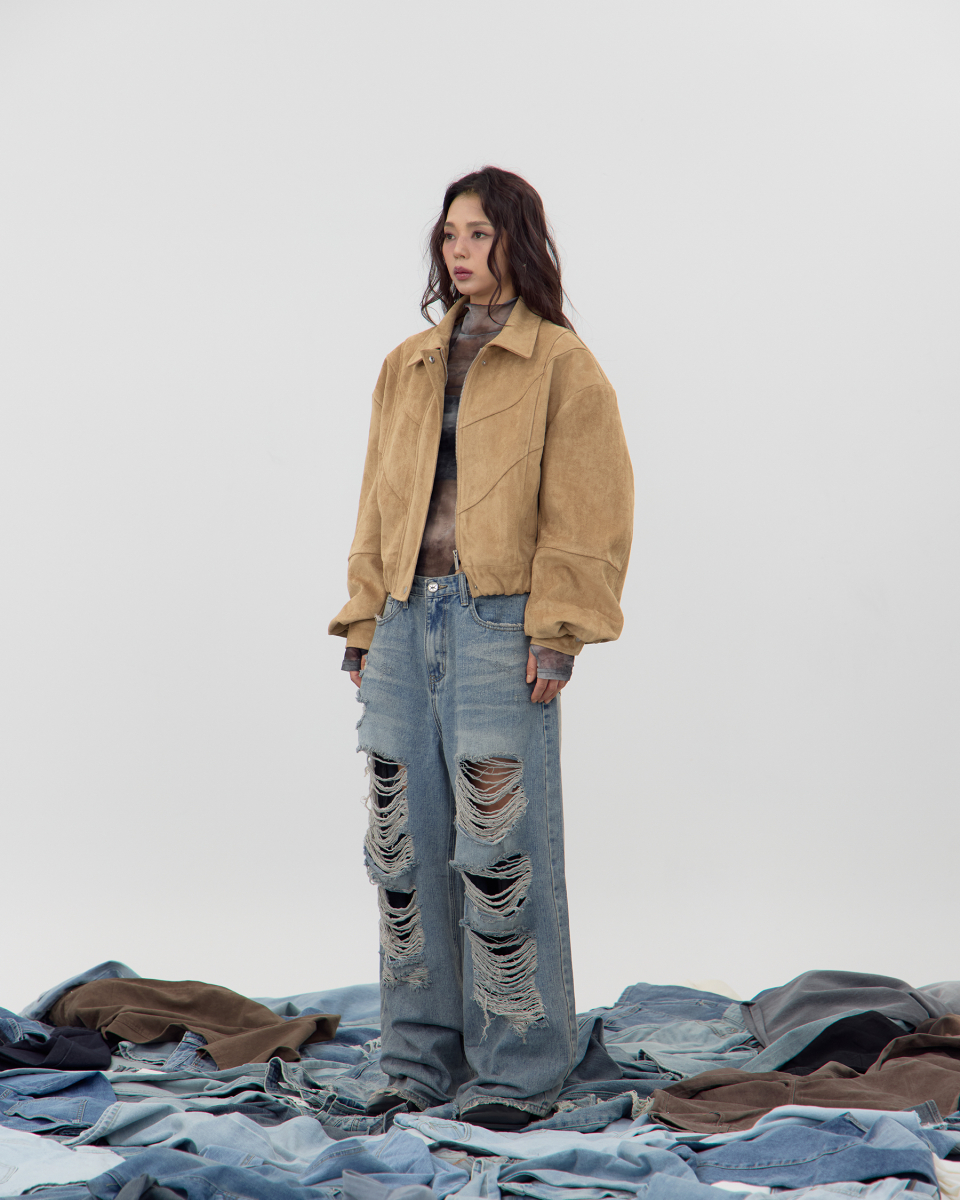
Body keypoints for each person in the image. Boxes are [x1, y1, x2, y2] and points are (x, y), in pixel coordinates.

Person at [329, 166, 633, 1130]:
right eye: (449, 235)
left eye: (479, 234)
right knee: (404, 850)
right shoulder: (408, 364)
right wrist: (363, 616)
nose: (458, 251)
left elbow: (589, 508)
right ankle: (416, 1062)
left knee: (501, 854)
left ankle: (519, 1071)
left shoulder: (561, 365)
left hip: (501, 624)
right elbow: (378, 501)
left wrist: (560, 633)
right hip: (402, 619)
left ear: (516, 241)